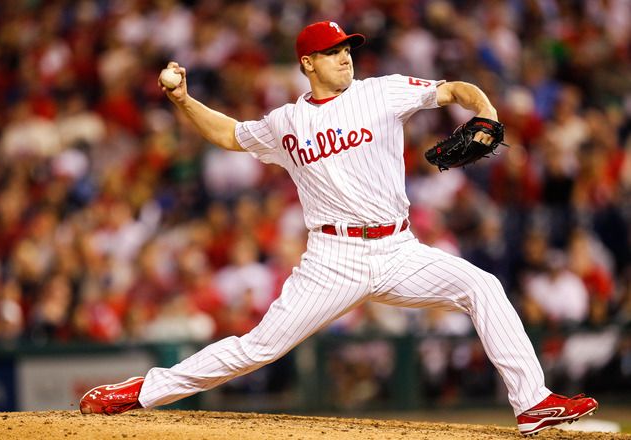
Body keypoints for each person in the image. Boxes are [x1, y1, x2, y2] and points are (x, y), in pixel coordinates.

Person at [79, 21, 597, 436]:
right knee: (258, 348)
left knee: (482, 286)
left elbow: (455, 88)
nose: (345, 56)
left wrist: (484, 108)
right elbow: (232, 135)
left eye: (347, 48)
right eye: (332, 51)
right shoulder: (286, 122)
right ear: (308, 63)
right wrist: (182, 101)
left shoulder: (382, 93)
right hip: (333, 260)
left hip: (399, 249)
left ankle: (531, 403)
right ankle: (141, 391)